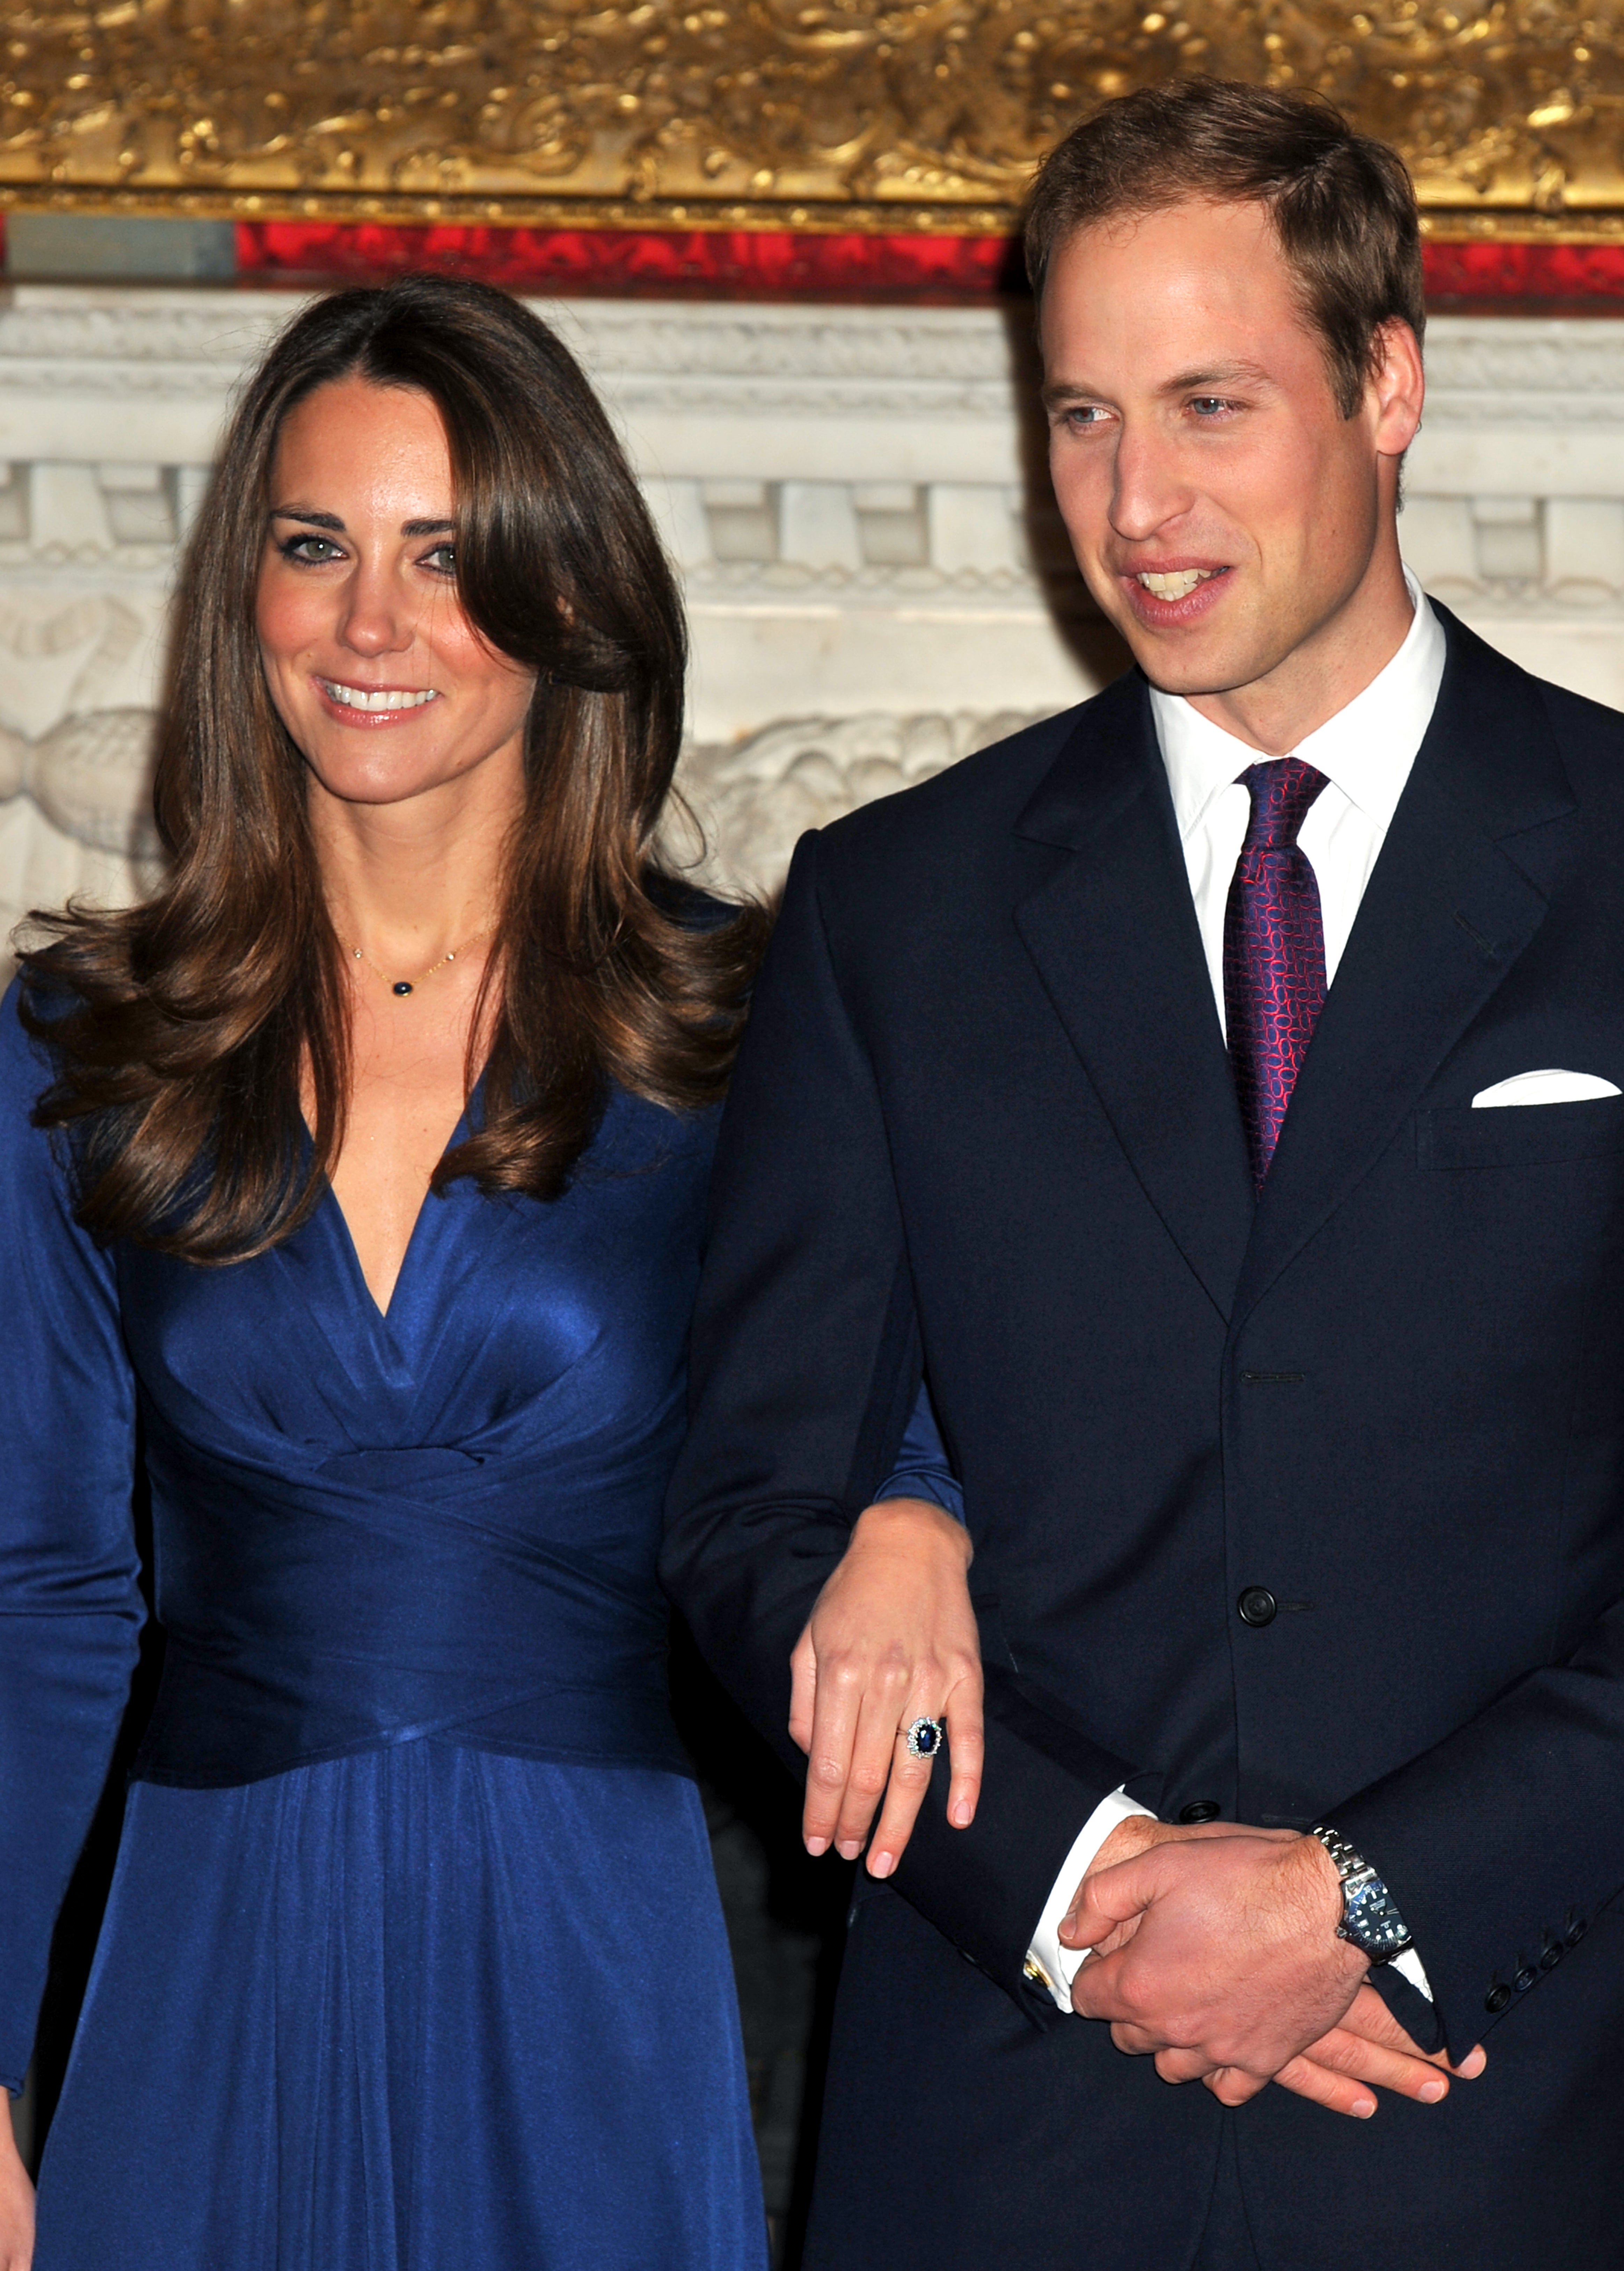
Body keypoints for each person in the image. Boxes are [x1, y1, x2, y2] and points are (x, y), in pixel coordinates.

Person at [664, 78, 1624, 2270]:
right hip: (1007, 2141)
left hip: (1517, 2119)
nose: (1135, 502)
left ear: (1390, 384)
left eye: (1209, 404)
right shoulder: (891, 910)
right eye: (1081, 415)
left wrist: (1366, 1901)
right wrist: (1094, 1904)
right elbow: (746, 1519)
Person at [0, 274, 803, 2271]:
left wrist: (929, 1536)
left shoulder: (751, 1035)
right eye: (315, 547)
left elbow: (906, 1454)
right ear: (241, 595)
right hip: (205, 1942)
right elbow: (38, 1593)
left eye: (450, 559)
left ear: (568, 601)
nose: (370, 625)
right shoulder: (78, 1048)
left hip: (590, 1948)